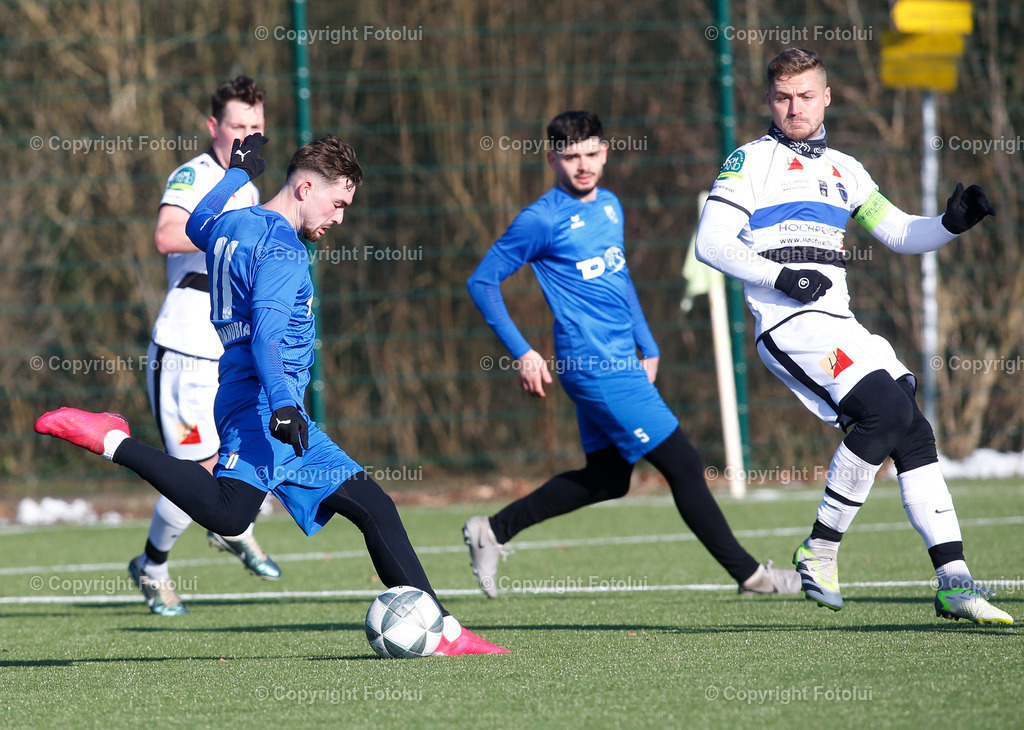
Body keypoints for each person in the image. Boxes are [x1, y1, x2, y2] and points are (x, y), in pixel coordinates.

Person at [37, 133, 506, 656]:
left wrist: (237, 174)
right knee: (233, 514)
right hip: (265, 405)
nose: (340, 218)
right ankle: (115, 442)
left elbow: (195, 224)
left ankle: (443, 629)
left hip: (250, 396)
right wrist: (283, 403)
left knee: (372, 505)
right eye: (338, 203)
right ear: (306, 187)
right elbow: (266, 335)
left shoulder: (237, 223)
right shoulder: (284, 250)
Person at [694, 48, 1011, 624]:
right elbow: (711, 243)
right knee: (885, 412)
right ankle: (819, 550)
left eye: (806, 96)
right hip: (789, 323)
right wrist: (779, 274)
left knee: (913, 430)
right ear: (769, 99)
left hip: (841, 322)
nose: (794, 108)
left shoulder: (846, 169)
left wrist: (949, 225)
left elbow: (897, 233)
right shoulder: (749, 161)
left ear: (826, 97)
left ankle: (954, 581)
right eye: (783, 97)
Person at [462, 110, 801, 599]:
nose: (583, 165)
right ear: (553, 158)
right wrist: (523, 352)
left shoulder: (612, 205)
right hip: (592, 364)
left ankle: (491, 530)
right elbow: (482, 281)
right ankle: (754, 577)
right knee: (683, 463)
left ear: (605, 152)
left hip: (623, 358)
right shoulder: (541, 219)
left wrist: (649, 343)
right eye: (571, 156)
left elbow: (618, 280)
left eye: (591, 153)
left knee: (609, 478)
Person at [132, 76, 280, 617]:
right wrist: (225, 227)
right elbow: (167, 235)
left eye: (256, 128)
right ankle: (152, 567)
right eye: (237, 126)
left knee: (240, 455)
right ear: (214, 127)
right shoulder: (197, 174)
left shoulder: (249, 185)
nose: (247, 136)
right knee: (193, 471)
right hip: (184, 348)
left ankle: (229, 527)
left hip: (226, 350)